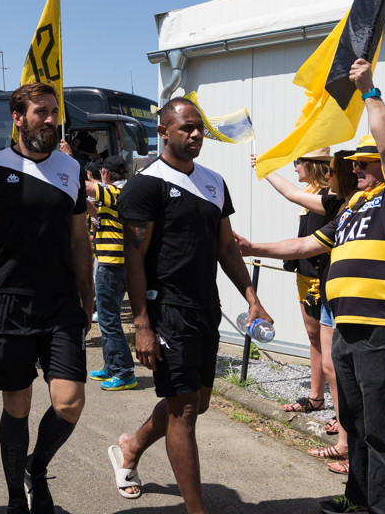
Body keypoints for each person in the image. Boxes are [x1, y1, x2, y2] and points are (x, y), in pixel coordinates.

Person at [236, 59, 385, 514]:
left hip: (382, 331)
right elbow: (304, 244)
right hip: (346, 331)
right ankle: (358, 500)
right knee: (355, 423)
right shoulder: (350, 210)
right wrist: (251, 246)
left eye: (364, 164)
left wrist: (369, 91)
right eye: (353, 165)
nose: (355, 170)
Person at [111, 97, 272, 513]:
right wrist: (142, 324)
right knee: (183, 409)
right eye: (187, 127)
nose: (197, 134)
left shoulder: (214, 182)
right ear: (163, 131)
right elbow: (133, 257)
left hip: (204, 307)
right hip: (166, 308)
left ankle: (132, 444)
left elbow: (226, 248)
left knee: (196, 402)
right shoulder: (146, 184)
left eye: (199, 127)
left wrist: (252, 298)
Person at [0, 82, 93, 514]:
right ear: (18, 118)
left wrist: (87, 295)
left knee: (69, 402)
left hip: (61, 303)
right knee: (17, 405)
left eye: (54, 112)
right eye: (41, 112)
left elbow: (79, 240)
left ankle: (38, 467)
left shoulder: (71, 168)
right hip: (10, 301)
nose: (51, 119)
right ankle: (16, 495)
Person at [252, 148, 354, 473]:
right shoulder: (324, 198)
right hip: (315, 279)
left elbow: (308, 241)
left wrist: (265, 168)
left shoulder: (336, 200)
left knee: (338, 361)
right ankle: (322, 405)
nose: (295, 167)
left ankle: (346, 428)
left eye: (298, 161)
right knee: (320, 348)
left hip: (330, 284)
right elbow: (301, 231)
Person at [86, 155, 136, 391]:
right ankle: (111, 366)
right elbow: (98, 215)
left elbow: (84, 186)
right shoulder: (123, 193)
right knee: (108, 318)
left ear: (105, 174)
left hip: (111, 263)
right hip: (117, 263)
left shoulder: (114, 192)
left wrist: (64, 164)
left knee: (109, 319)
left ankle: (124, 372)